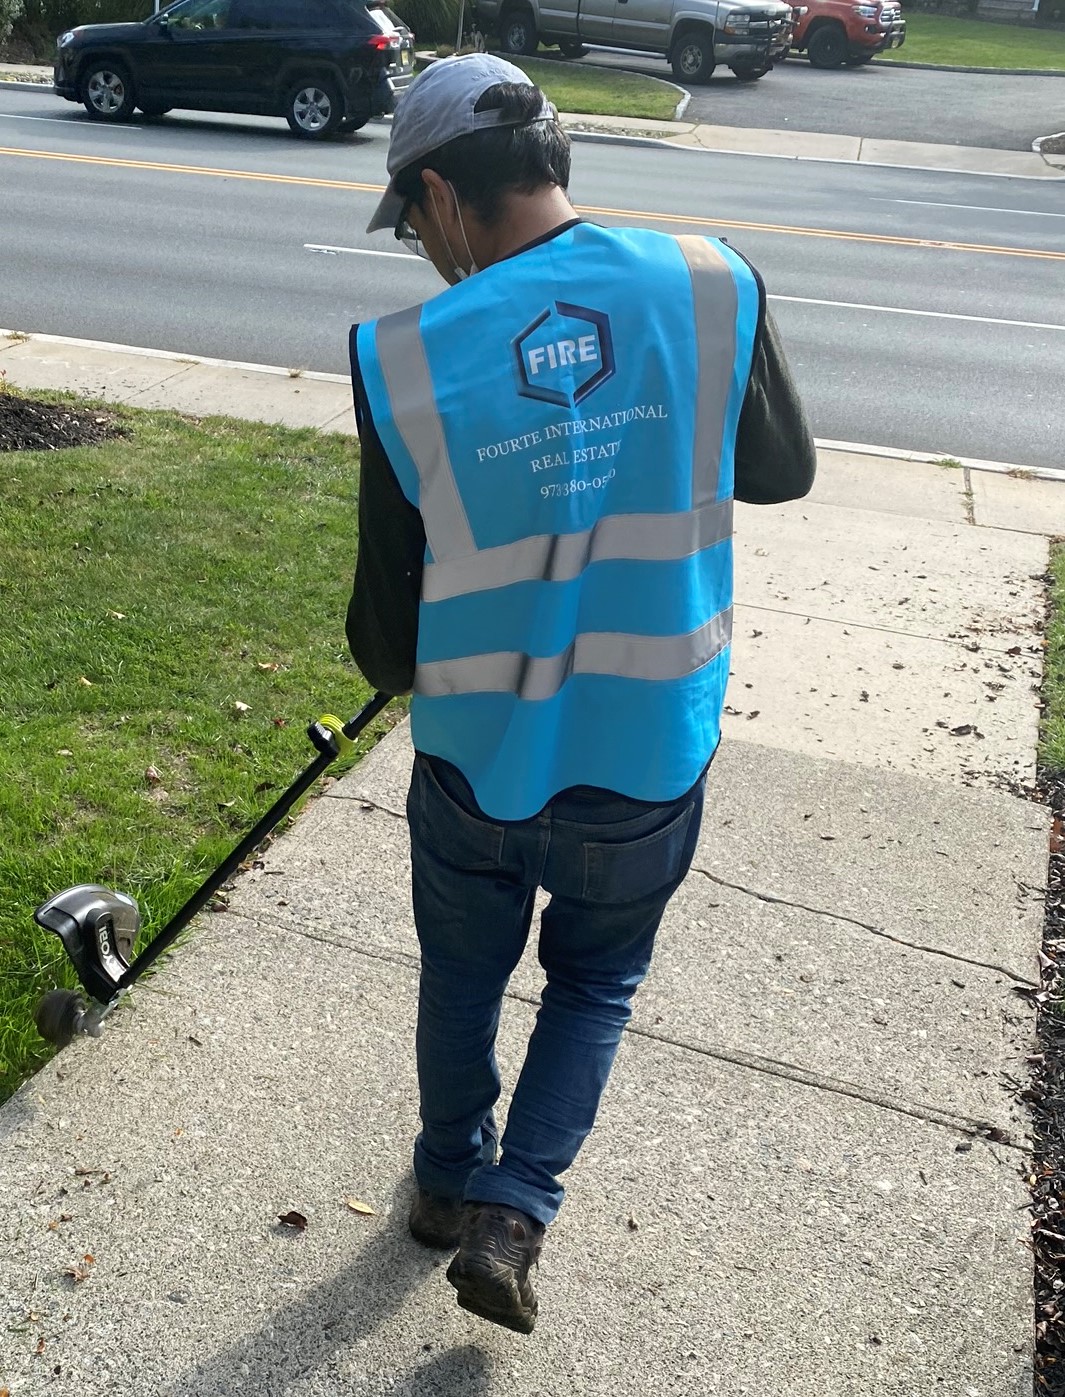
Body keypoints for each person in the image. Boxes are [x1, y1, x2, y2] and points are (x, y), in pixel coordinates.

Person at [346, 53, 815, 1336]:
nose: (426, 255)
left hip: (473, 759)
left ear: (442, 195)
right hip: (648, 749)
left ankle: (448, 1180)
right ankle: (516, 1208)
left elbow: (388, 639)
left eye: (417, 225)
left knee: (463, 967)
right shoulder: (712, 280)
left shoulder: (402, 356)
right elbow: (779, 471)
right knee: (596, 983)